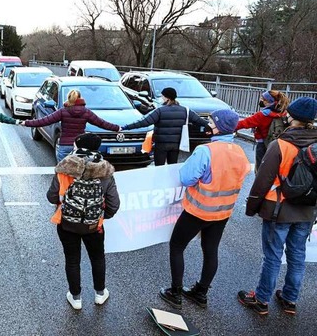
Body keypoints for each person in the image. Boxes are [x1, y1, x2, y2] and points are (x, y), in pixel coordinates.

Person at [159, 109, 250, 309]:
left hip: (198, 210)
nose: (207, 124)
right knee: (211, 251)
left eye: (211, 122)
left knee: (177, 247)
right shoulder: (240, 152)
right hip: (223, 212)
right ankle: (201, 293)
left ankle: (175, 293)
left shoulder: (205, 150)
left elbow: (186, 178)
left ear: (219, 127)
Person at [238, 97, 317, 316]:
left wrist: (252, 207)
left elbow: (263, 180)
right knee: (297, 254)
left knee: (272, 256)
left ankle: (261, 299)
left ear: (292, 117)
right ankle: (290, 299)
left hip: (278, 209)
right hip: (307, 210)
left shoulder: (281, 144)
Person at [47, 133, 120, 310]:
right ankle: (100, 294)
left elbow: (51, 197)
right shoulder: (105, 173)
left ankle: (76, 297)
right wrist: (101, 217)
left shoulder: (64, 168)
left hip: (67, 223)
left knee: (72, 260)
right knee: (97, 258)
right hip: (94, 226)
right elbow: (114, 204)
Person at [23, 90, 120, 162]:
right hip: (79, 148)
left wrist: (26, 123)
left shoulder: (63, 111)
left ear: (69, 98)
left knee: (63, 177)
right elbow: (102, 123)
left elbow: (44, 121)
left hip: (64, 147)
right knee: (78, 176)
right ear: (80, 99)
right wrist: (118, 128)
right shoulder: (86, 112)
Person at [122, 87, 209, 166]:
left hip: (161, 145)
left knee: (159, 168)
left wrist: (125, 127)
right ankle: (171, 183)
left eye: (162, 96)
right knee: (172, 167)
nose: (161, 98)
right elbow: (199, 121)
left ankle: (159, 183)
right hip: (176, 145)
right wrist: (212, 127)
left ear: (167, 98)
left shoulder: (160, 111)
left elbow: (144, 122)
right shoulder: (185, 110)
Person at [234, 90, 289, 171]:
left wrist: (226, 127)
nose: (261, 100)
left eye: (263, 99)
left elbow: (245, 123)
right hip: (278, 144)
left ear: (269, 102)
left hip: (263, 144)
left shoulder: (263, 115)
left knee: (260, 169)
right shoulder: (283, 114)